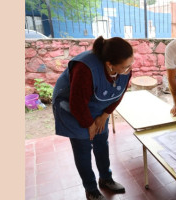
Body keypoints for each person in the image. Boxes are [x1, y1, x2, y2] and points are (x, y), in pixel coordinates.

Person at [52, 36, 134, 200]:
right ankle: (90, 189)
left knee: (101, 142)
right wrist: (89, 124)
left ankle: (106, 179)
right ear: (110, 64)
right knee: (83, 148)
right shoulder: (85, 69)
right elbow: (77, 104)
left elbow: (119, 93)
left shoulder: (124, 68)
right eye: (125, 67)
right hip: (71, 107)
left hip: (97, 105)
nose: (130, 69)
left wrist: (104, 115)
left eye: (131, 64)